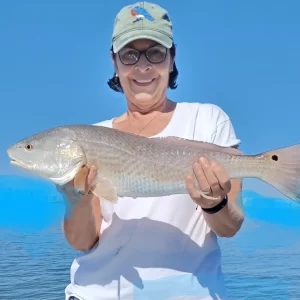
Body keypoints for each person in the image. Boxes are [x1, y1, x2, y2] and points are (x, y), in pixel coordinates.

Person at [59, 2, 244, 300]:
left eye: (155, 53)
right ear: (114, 62)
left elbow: (230, 226)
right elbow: (83, 242)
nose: (142, 66)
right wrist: (74, 198)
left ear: (172, 59)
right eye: (129, 55)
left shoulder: (208, 120)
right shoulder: (91, 138)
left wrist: (214, 204)